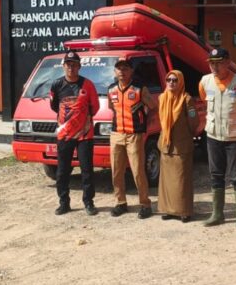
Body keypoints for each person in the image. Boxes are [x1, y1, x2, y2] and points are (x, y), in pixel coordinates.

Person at [199, 48, 236, 230]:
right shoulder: (205, 82)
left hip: (234, 137)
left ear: (228, 62)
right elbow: (204, 99)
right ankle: (217, 214)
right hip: (214, 136)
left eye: (218, 62)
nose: (214, 66)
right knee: (216, 174)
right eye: (211, 63)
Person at [50, 51, 100, 216]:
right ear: (63, 66)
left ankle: (89, 202)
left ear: (79, 66)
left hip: (85, 135)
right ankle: (64, 203)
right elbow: (54, 106)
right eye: (68, 64)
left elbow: (95, 107)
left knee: (87, 170)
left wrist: (82, 121)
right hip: (64, 135)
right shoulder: (56, 85)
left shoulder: (88, 85)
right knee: (62, 170)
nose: (71, 67)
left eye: (74, 64)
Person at [108, 59, 157, 219]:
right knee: (116, 171)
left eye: (125, 69)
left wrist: (145, 128)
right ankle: (120, 202)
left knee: (137, 171)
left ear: (131, 71)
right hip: (116, 134)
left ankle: (145, 204)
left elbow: (153, 108)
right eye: (119, 69)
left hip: (134, 135)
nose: (122, 72)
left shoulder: (139, 89)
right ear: (115, 72)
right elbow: (112, 109)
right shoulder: (111, 90)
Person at [157, 70, 198, 222]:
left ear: (180, 82)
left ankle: (184, 211)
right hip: (166, 145)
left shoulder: (187, 99)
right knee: (166, 181)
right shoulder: (162, 98)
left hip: (182, 146)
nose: (171, 83)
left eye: (175, 80)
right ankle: (168, 210)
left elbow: (194, 122)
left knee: (181, 180)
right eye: (169, 80)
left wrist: (187, 134)